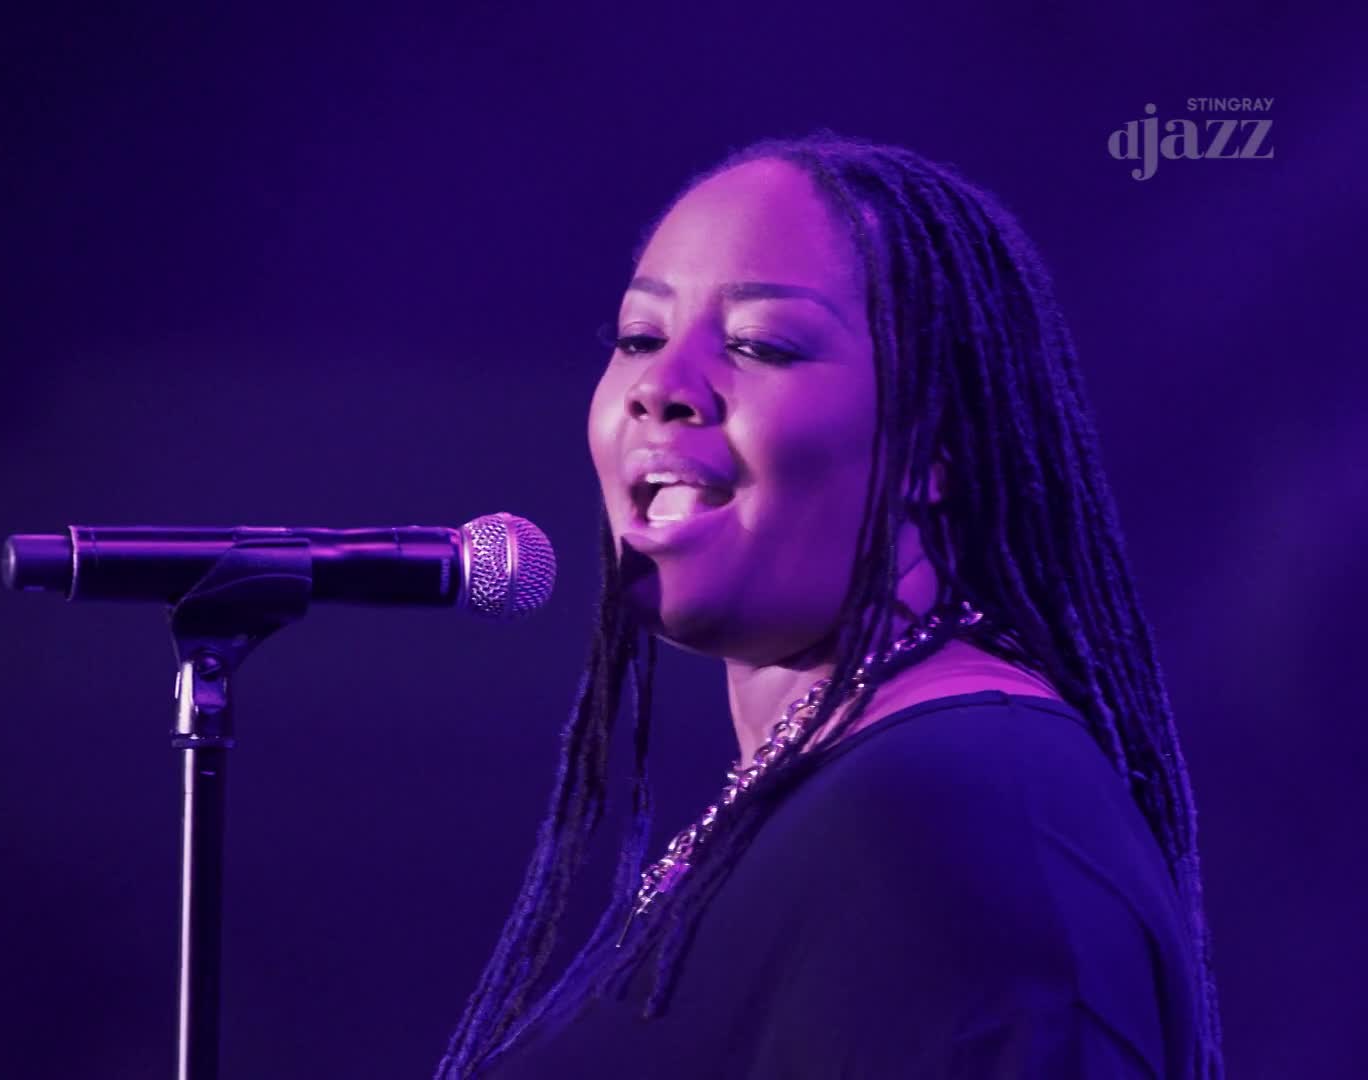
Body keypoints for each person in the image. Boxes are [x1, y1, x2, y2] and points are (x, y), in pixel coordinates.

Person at [435, 134, 1224, 1079]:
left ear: (941, 444)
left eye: (759, 345)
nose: (662, 389)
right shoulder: (860, 799)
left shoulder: (959, 813)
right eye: (640, 339)